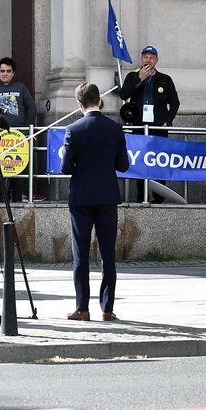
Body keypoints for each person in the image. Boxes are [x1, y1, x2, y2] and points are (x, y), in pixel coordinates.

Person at [61, 82, 129, 321]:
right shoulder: (115, 129)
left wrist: (65, 154)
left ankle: (82, 307)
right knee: (108, 254)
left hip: (81, 198)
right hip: (107, 195)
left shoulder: (73, 129)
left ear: (79, 104)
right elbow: (123, 165)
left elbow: (66, 167)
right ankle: (107, 308)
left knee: (80, 254)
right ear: (99, 100)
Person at [119, 45, 180, 203]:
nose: (148, 60)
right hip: (139, 127)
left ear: (156, 60)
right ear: (141, 59)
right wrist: (139, 79)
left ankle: (159, 197)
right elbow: (124, 94)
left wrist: (168, 121)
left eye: (151, 57)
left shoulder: (165, 79)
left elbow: (175, 102)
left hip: (158, 128)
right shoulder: (132, 76)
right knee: (140, 162)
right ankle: (142, 196)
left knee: (159, 161)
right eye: (145, 57)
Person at [0, 57, 37, 201]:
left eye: (8, 71)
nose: (5, 74)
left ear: (13, 73)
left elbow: (32, 107)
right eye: (2, 71)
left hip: (19, 135)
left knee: (18, 168)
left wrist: (27, 127)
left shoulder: (21, 87)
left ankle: (19, 197)